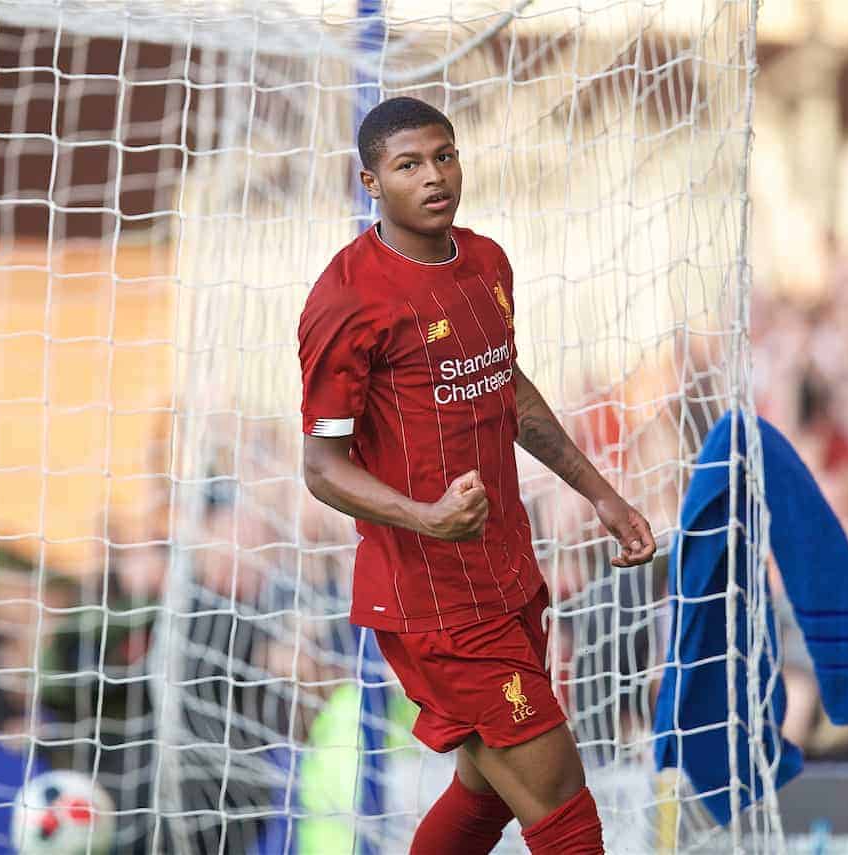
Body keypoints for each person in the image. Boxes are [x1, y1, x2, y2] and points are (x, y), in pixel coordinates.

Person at [297, 96, 656, 855]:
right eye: (409, 164)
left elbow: (507, 387)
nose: (435, 176)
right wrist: (426, 515)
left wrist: (601, 492)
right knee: (560, 796)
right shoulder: (347, 298)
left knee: (486, 787)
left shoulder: (487, 261)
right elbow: (322, 467)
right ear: (371, 182)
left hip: (507, 566)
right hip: (435, 599)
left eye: (445, 155)